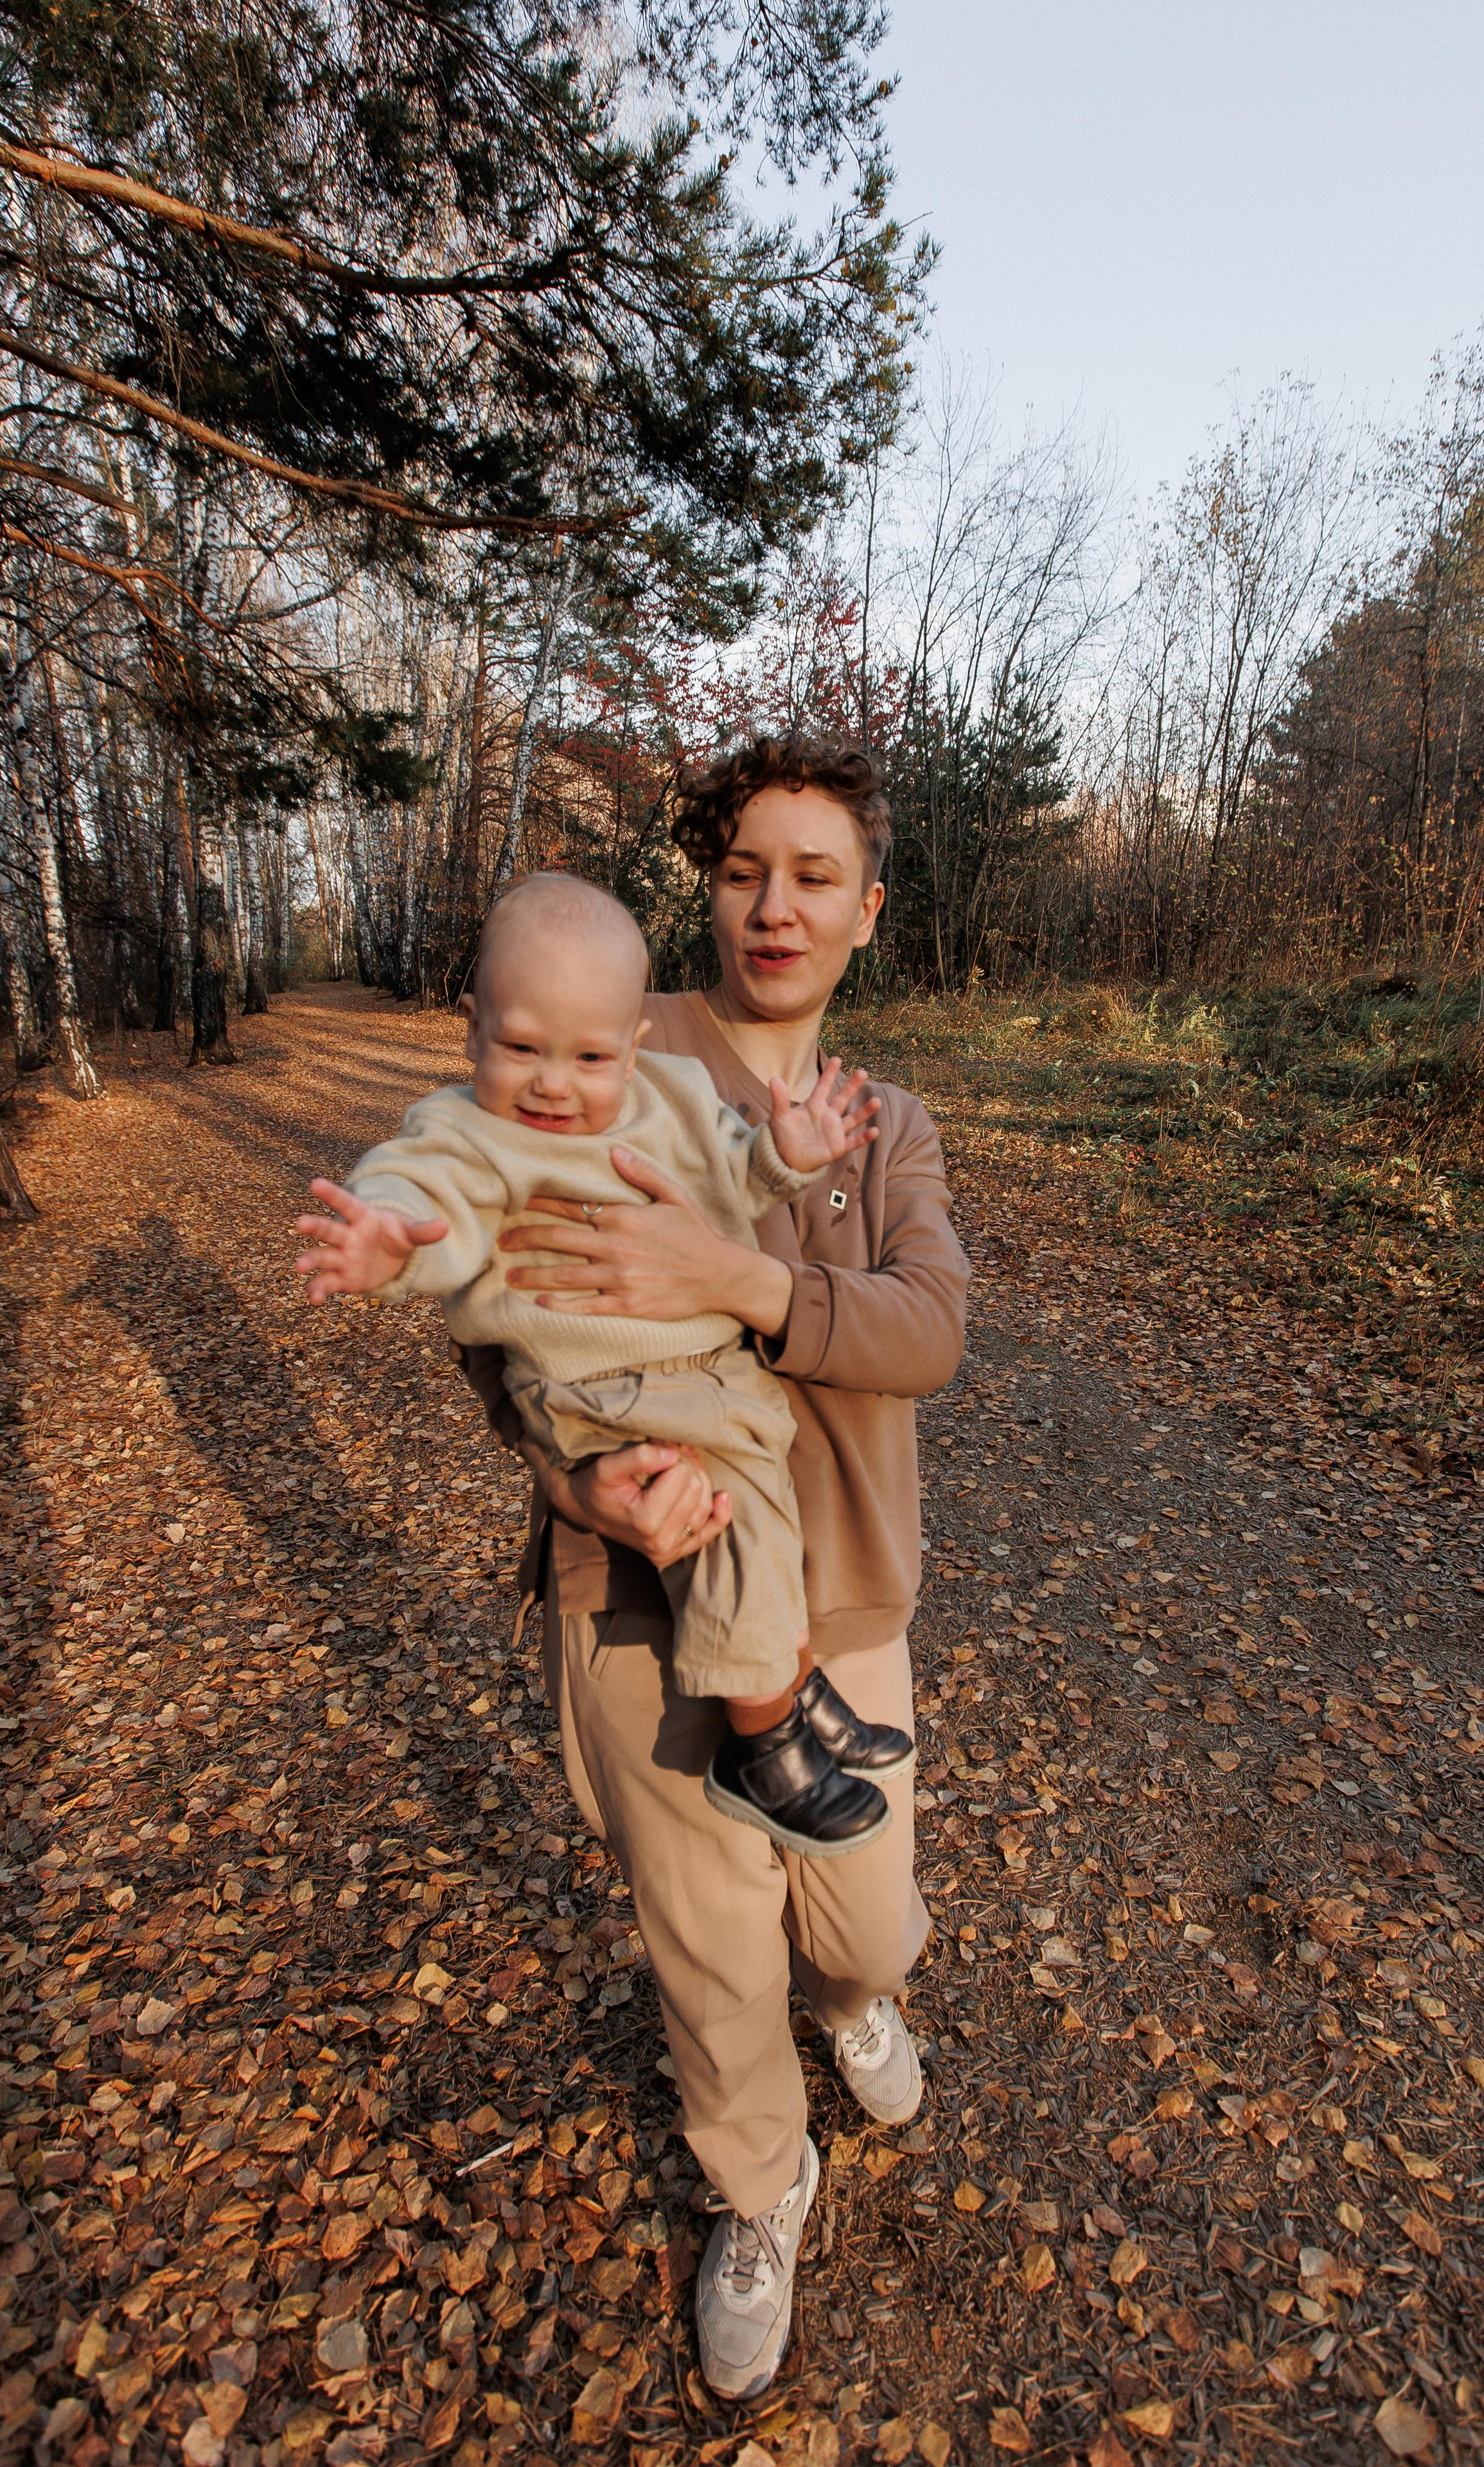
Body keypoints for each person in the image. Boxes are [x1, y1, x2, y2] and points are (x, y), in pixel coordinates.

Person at [461, 734, 969, 2401]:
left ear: (868, 914)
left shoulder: (889, 1129)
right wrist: (581, 1490)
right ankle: (763, 2189)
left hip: (844, 1591)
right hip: (638, 1591)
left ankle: (859, 2007)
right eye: (747, 867)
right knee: (707, 1945)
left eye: (815, 876)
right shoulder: (619, 1046)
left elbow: (926, 1330)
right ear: (711, 886)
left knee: (866, 1923)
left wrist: (729, 1270)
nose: (774, 904)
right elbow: (498, 1334)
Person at [293, 871, 908, 1853]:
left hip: (712, 1374)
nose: (552, 1082)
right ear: (472, 1030)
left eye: (588, 1056)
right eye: (522, 1047)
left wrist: (786, 1154)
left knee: (773, 1522)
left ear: (634, 1046)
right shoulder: (469, 1130)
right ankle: (765, 1749)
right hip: (598, 1391)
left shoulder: (672, 1096)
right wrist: (394, 1244)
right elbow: (424, 1190)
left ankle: (791, 1687)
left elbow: (733, 1174)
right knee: (733, 1534)